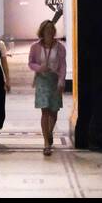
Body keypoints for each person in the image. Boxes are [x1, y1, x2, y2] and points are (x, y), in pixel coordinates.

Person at [29, 19, 66, 156]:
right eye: (46, 30)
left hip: (55, 80)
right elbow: (31, 63)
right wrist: (39, 68)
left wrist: (62, 80)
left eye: (51, 29)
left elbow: (63, 65)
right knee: (45, 111)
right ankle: (46, 143)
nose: (49, 32)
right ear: (42, 31)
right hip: (42, 80)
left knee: (54, 111)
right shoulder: (35, 46)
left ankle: (49, 132)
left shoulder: (60, 47)